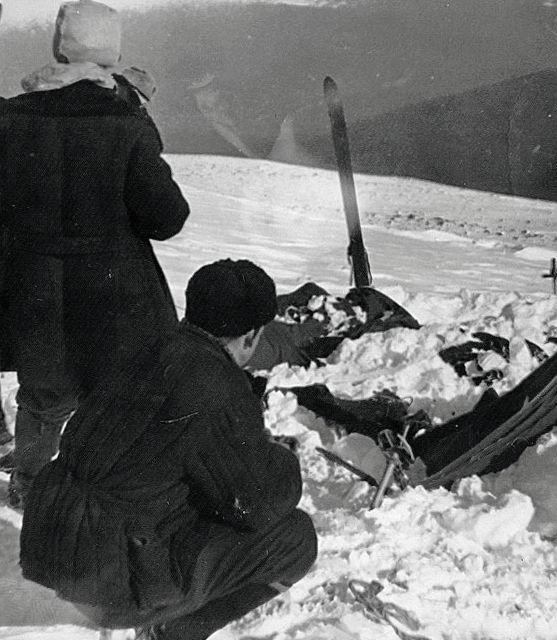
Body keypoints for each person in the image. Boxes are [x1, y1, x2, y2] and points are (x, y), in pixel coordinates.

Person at [19, 259, 318, 640]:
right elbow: (255, 506)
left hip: (50, 545)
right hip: (109, 585)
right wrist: (282, 458)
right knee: (295, 538)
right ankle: (174, 632)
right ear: (251, 336)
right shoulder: (215, 383)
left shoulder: (143, 348)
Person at [0, 0, 190, 507]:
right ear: (114, 52)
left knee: (43, 394)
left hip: (33, 285)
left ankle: (30, 484)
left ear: (57, 46)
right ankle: (107, 487)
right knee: (115, 393)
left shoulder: (9, 118)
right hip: (113, 288)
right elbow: (167, 219)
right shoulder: (126, 120)